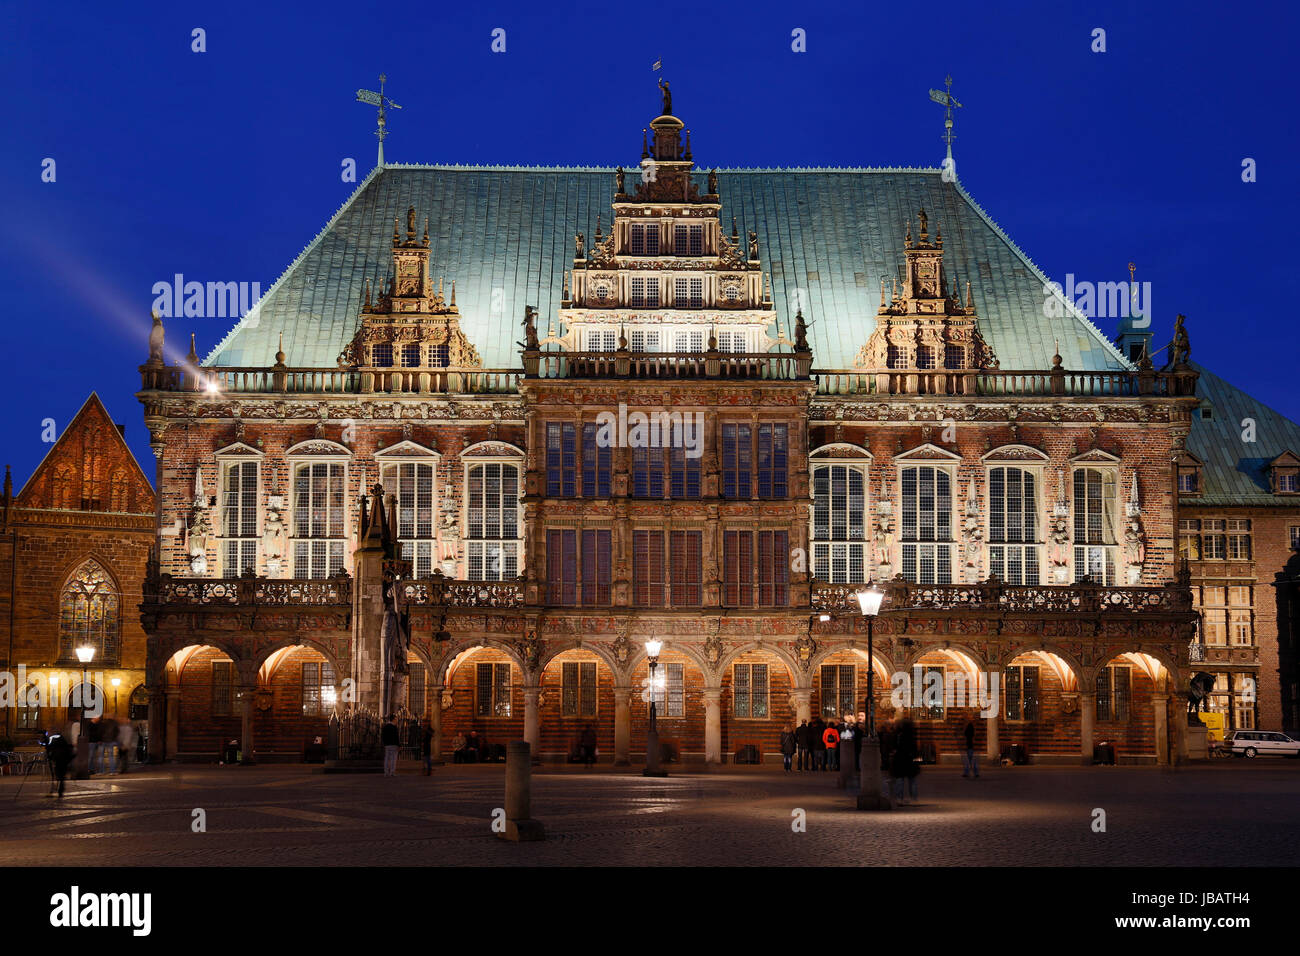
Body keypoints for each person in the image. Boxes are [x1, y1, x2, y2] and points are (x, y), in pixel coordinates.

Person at [891, 718, 921, 804]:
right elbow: (915, 749)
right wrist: (917, 759)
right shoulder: (911, 735)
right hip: (910, 760)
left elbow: (895, 747)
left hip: (900, 759)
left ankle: (899, 798)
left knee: (900, 780)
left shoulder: (898, 735)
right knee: (912, 780)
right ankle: (914, 799)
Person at [45, 731, 75, 798]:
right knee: (62, 776)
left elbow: (50, 749)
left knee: (59, 775)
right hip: (64, 760)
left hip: (58, 760)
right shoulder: (62, 740)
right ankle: (60, 791)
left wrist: (50, 756)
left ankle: (57, 789)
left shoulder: (53, 740)